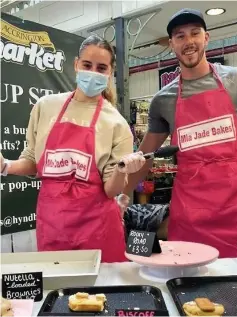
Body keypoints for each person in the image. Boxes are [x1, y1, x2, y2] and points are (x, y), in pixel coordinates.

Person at [123, 9, 237, 257]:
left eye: (195, 33)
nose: (189, 42)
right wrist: (118, 196)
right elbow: (144, 158)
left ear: (206, 38)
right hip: (190, 214)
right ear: (171, 44)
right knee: (189, 289)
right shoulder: (162, 100)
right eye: (180, 36)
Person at [0, 35, 145, 263]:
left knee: (102, 295)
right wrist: (5, 166)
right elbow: (32, 160)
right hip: (53, 224)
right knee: (58, 291)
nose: (93, 72)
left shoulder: (116, 123)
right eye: (87, 65)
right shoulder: (45, 107)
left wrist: (122, 169)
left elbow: (110, 191)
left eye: (101, 68)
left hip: (97, 228)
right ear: (76, 65)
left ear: (110, 73)